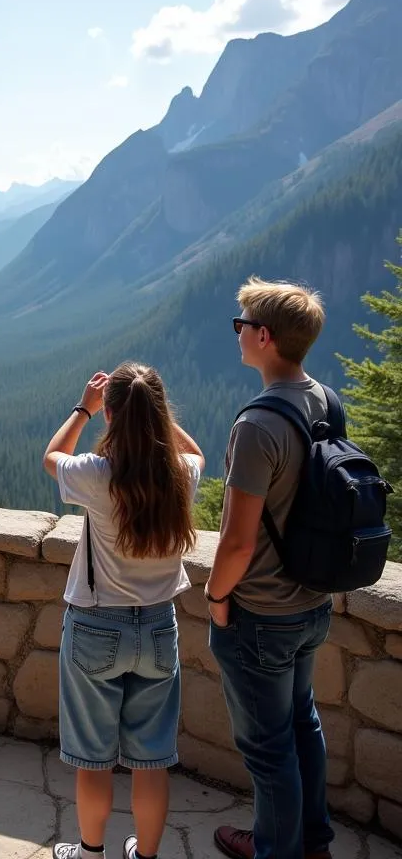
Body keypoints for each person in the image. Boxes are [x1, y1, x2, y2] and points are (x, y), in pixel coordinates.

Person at [43, 363, 204, 859]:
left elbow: (53, 456)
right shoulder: (181, 475)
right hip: (158, 626)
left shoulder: (97, 476)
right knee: (151, 762)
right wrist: (151, 413)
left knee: (92, 761)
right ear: (157, 415)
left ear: (110, 416)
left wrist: (83, 409)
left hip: (95, 624)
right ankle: (147, 855)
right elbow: (195, 451)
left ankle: (91, 853)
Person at [205, 278, 333, 859]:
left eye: (241, 326)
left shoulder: (256, 426)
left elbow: (236, 541)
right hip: (313, 604)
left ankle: (273, 850)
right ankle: (311, 841)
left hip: (261, 614)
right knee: (303, 724)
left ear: (264, 337)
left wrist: (215, 598)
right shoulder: (326, 401)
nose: (236, 334)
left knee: (267, 747)